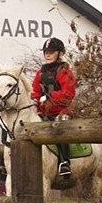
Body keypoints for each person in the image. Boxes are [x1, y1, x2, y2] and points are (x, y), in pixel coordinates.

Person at [30, 37, 76, 177]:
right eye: (46, 52)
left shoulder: (64, 70)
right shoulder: (40, 72)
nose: (47, 54)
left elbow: (68, 93)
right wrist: (34, 102)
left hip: (62, 110)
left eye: (51, 52)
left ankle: (65, 163)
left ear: (59, 53)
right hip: (43, 112)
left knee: (58, 127)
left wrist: (50, 97)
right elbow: (35, 91)